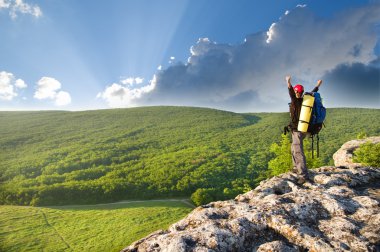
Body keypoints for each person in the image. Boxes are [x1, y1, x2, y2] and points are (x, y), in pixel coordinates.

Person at [286, 75, 322, 183]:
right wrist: (318, 85)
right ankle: (295, 167)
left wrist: (288, 82)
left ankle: (303, 175)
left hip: (298, 130)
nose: (295, 93)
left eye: (295, 92)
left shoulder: (295, 101)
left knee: (298, 151)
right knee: (294, 148)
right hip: (305, 128)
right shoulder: (306, 101)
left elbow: (291, 92)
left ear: (296, 92)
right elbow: (313, 91)